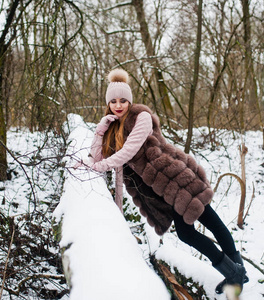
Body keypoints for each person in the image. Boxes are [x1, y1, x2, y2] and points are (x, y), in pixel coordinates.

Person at [85, 68, 248, 294]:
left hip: (178, 178)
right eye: (113, 101)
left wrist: (100, 166)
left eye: (123, 100)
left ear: (130, 101)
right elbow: (96, 157)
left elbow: (129, 150)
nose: (118, 105)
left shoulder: (141, 117)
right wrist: (101, 129)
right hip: (163, 190)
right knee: (196, 228)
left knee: (205, 224)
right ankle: (236, 272)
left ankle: (235, 273)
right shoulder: (112, 126)